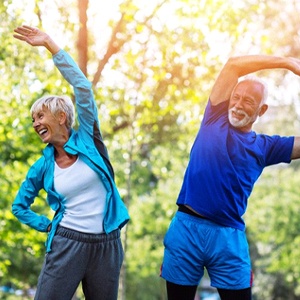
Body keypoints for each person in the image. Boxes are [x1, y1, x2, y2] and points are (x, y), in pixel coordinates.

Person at [160, 54, 300, 300]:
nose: (237, 104)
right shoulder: (213, 118)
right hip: (186, 229)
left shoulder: (265, 147)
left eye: (248, 101)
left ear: (261, 110)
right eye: (235, 97)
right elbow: (233, 64)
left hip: (228, 238)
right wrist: (286, 63)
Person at [12, 25, 129, 300]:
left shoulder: (88, 138)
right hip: (67, 244)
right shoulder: (43, 166)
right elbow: (19, 206)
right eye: (33, 120)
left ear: (61, 117)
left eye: (40, 116)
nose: (35, 123)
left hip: (107, 245)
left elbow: (83, 87)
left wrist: (51, 45)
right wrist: (47, 225)